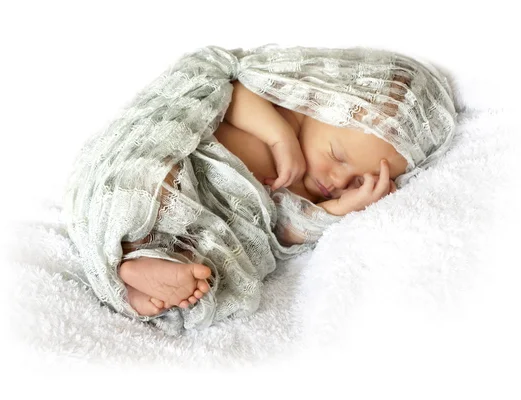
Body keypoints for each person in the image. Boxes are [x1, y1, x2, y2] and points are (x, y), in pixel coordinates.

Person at [119, 79, 410, 317]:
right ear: (318, 106)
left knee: (215, 263)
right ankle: (137, 249)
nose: (337, 180)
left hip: (210, 223)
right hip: (188, 169)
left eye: (357, 182)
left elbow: (283, 234)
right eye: (336, 155)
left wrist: (337, 208)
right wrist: (279, 136)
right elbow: (228, 93)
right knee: (155, 179)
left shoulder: (313, 198)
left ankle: (148, 275)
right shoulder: (281, 109)